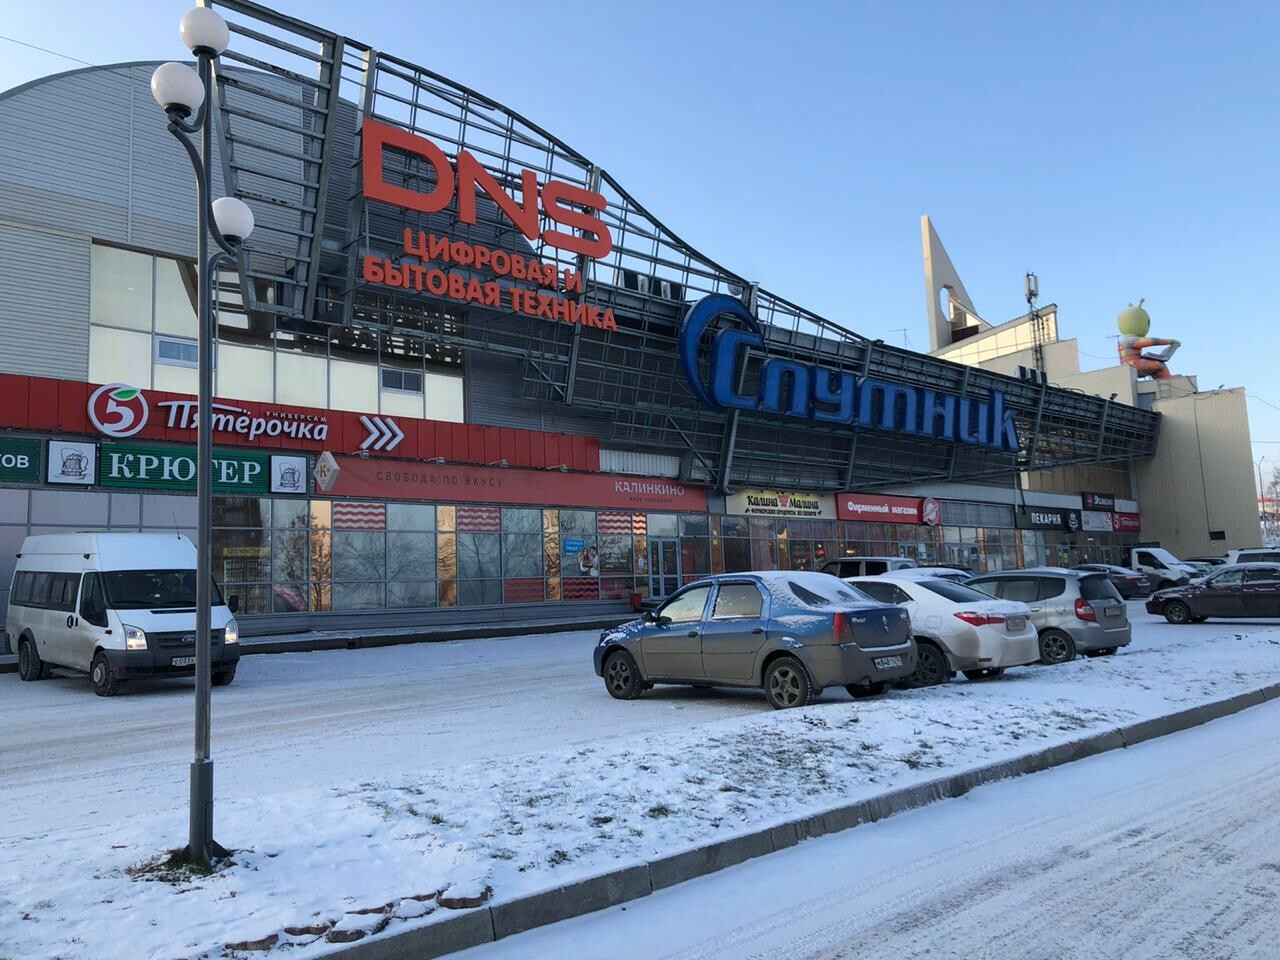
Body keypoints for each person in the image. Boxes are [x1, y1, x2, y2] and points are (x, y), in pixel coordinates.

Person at [1117, 298, 1179, 380]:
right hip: (1133, 364)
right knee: (1160, 365)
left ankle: (1160, 380)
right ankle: (1167, 379)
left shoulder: (1124, 340)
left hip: (1128, 365)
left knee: (1154, 366)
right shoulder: (1130, 340)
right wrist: (1168, 341)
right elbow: (1150, 341)